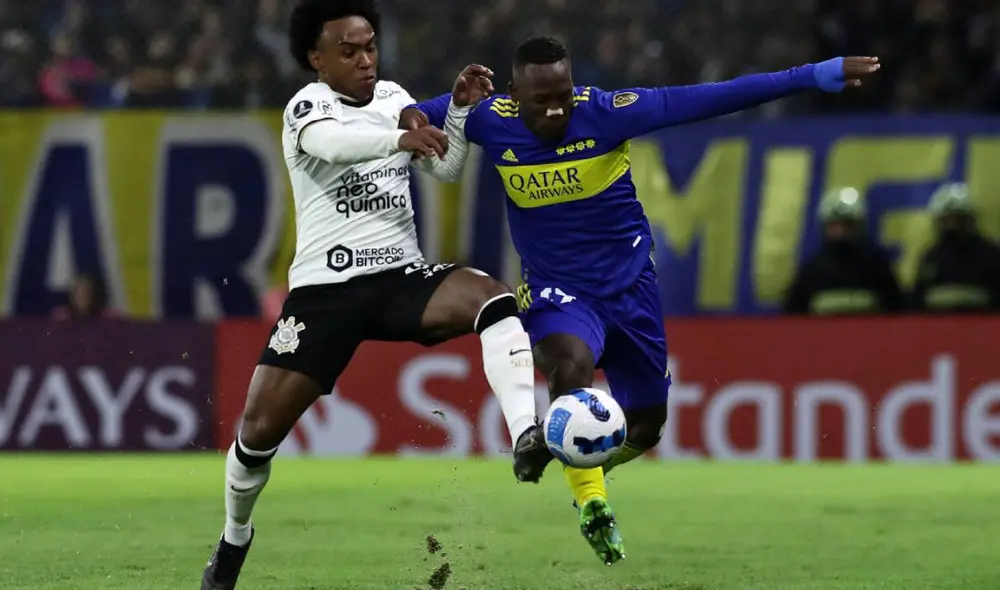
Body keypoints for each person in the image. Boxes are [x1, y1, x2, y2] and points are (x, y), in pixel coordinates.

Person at [403, 36, 880, 565]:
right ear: (513, 94)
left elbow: (715, 96)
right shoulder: (490, 118)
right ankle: (592, 502)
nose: (557, 109)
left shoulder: (608, 113)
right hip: (558, 291)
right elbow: (412, 111)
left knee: (648, 425)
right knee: (569, 368)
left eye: (564, 95)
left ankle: (573, 459)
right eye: (542, 100)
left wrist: (812, 74)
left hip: (631, 289)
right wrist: (409, 119)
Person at [200, 2, 539, 588]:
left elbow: (446, 169)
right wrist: (402, 137)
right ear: (318, 59)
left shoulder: (392, 97)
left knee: (493, 298)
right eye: (349, 51)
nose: (365, 60)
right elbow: (335, 146)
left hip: (399, 278)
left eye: (370, 47)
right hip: (324, 295)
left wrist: (457, 112)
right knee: (255, 437)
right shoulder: (307, 108)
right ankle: (234, 539)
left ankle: (527, 432)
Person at [784, 187, 905, 315]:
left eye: (847, 225)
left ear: (859, 227)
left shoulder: (876, 269)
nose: (840, 232)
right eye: (834, 225)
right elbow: (792, 317)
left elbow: (898, 312)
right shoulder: (811, 272)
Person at [911, 182, 1000, 312]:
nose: (951, 226)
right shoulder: (931, 258)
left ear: (970, 221)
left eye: (958, 219)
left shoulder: (992, 256)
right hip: (938, 323)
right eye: (946, 220)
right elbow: (915, 302)